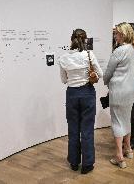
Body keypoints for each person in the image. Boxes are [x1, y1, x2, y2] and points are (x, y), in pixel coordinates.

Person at [58, 29, 103, 174]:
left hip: (71, 94)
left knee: (73, 129)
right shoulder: (88, 55)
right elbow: (100, 74)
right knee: (87, 130)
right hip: (87, 93)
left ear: (71, 39)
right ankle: (87, 164)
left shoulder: (63, 57)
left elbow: (64, 80)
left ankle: (74, 162)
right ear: (85, 40)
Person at [103, 22, 134, 168]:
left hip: (119, 89)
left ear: (122, 34)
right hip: (131, 89)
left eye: (116, 33)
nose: (115, 35)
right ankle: (128, 149)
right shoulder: (133, 49)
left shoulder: (119, 50)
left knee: (117, 121)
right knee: (126, 119)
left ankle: (119, 156)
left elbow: (109, 72)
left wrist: (106, 82)